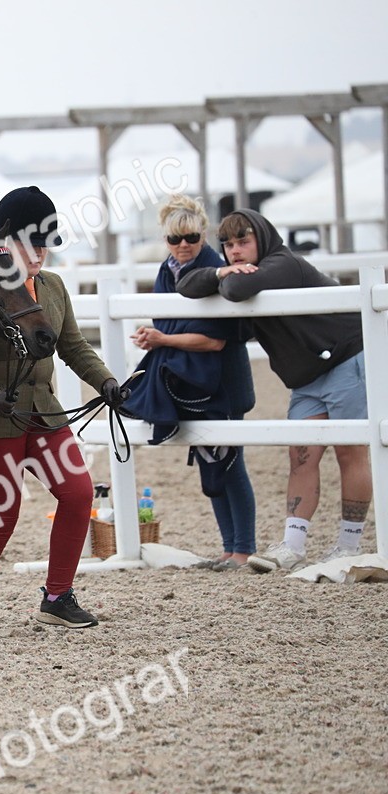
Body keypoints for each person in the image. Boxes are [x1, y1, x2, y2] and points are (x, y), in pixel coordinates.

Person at [0, 186, 127, 633]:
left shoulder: (53, 287)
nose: (42, 253)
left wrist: (104, 380)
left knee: (79, 493)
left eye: (45, 243)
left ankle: (58, 596)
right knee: (1, 517)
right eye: (33, 243)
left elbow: (73, 345)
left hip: (43, 413)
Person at [177, 208, 370, 572]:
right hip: (307, 378)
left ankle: (350, 545)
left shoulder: (284, 263)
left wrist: (229, 277)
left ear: (261, 240)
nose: (235, 251)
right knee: (300, 455)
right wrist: (221, 270)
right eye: (228, 245)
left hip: (346, 358)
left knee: (350, 451)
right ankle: (293, 545)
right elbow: (187, 284)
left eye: (243, 242)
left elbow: (236, 290)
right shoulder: (240, 269)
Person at [123, 195, 257, 571]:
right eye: (174, 239)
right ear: (166, 239)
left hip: (223, 384)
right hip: (190, 382)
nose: (183, 245)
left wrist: (161, 339)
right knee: (209, 464)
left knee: (231, 464)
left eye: (191, 237)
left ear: (203, 236)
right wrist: (159, 336)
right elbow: (170, 325)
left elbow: (213, 340)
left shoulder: (216, 267)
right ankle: (230, 548)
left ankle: (242, 549)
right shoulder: (167, 271)